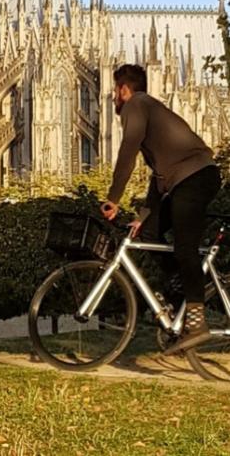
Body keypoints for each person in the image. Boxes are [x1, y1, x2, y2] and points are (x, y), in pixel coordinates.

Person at [101, 63, 221, 352]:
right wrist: (143, 216)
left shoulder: (136, 105)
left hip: (195, 178)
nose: (113, 98)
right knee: (147, 233)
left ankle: (196, 321)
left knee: (185, 246)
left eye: (115, 91)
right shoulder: (148, 110)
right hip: (184, 180)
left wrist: (114, 198)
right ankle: (181, 289)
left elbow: (127, 149)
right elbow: (159, 176)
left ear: (124, 89)